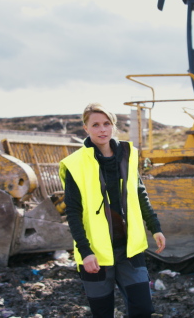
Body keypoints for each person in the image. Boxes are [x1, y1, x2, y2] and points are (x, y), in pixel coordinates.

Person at [59, 102, 166, 318]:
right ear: (86, 128)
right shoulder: (75, 164)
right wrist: (85, 251)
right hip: (96, 254)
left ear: (113, 126)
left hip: (130, 249)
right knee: (103, 314)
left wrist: (155, 227)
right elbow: (73, 211)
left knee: (143, 310)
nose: (102, 129)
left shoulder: (127, 155)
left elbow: (140, 193)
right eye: (96, 125)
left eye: (107, 124)